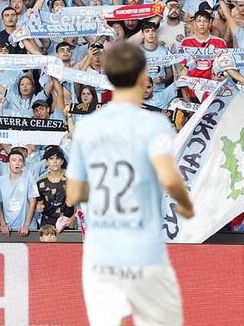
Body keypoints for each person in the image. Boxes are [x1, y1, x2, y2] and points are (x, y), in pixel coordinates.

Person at [65, 42, 194, 326]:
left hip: (100, 252)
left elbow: (73, 193)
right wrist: (185, 205)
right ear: (142, 77)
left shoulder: (86, 127)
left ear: (108, 77)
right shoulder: (154, 124)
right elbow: (170, 178)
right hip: (142, 248)